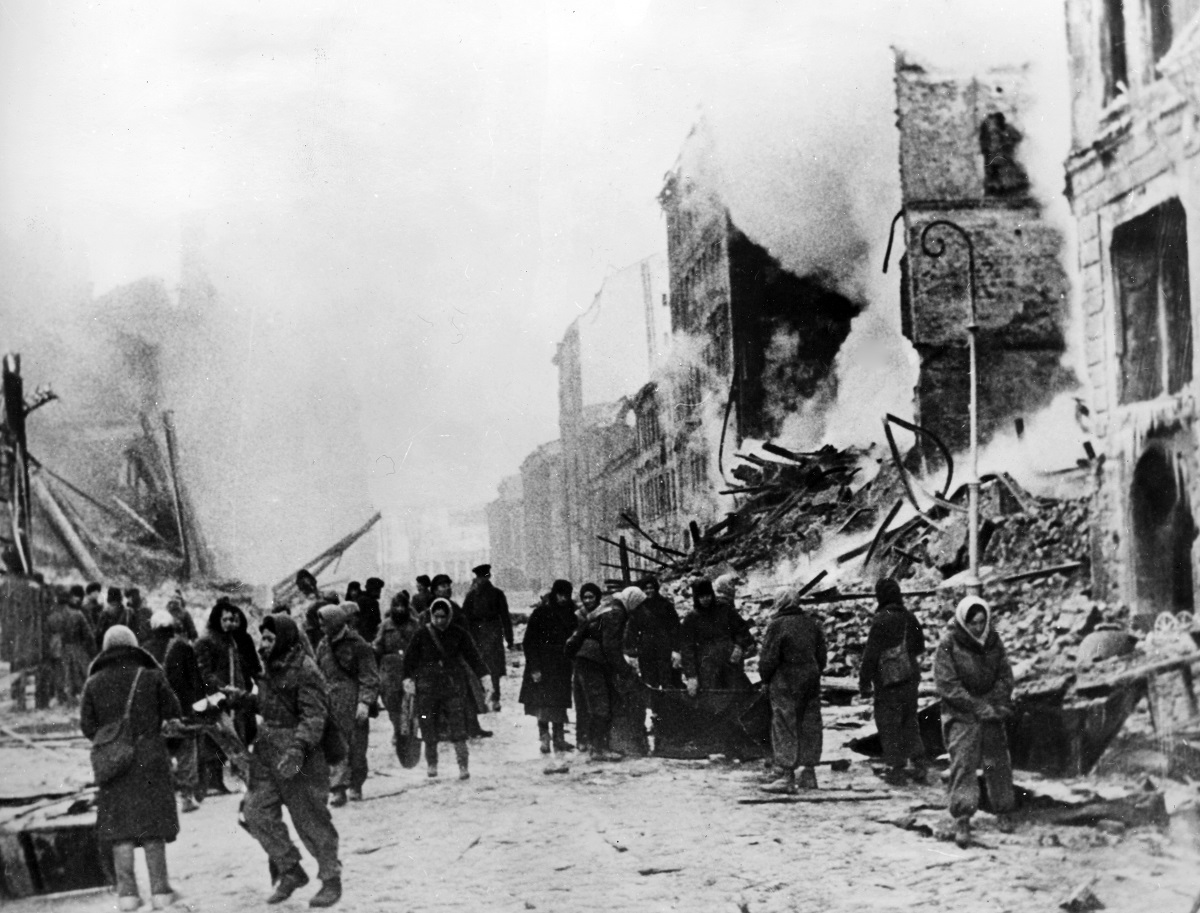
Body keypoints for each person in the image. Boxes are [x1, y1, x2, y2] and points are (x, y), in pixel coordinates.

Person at [238, 614, 342, 907]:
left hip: (300, 755)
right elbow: (270, 705)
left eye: (270, 639)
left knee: (311, 820)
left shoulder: (306, 670)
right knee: (255, 811)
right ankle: (291, 869)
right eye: (263, 638)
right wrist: (244, 699)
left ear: (283, 639)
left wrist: (297, 750)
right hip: (267, 752)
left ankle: (331, 879)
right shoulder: (270, 668)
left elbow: (313, 716)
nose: (263, 644)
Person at [80, 626, 181, 911]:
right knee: (152, 829)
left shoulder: (94, 682)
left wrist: (112, 742)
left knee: (120, 831)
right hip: (150, 758)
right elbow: (173, 713)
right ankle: (160, 893)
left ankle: (127, 896)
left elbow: (87, 726)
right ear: (134, 646)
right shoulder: (151, 675)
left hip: (114, 764)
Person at [935, 595, 1016, 849]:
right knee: (963, 763)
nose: (978, 628)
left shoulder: (993, 642)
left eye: (982, 622)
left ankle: (1003, 810)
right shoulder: (949, 644)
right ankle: (962, 817)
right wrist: (976, 706)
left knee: (998, 762)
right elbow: (947, 685)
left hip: (990, 710)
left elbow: (1005, 676)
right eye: (973, 623)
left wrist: (993, 704)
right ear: (962, 622)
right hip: (962, 713)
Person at [401, 597, 490, 780]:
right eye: (436, 616)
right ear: (431, 615)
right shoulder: (421, 635)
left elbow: (473, 657)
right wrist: (407, 680)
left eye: (443, 616)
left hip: (452, 687)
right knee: (428, 727)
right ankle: (432, 765)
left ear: (449, 615)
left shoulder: (459, 633)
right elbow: (409, 660)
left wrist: (485, 678)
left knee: (458, 727)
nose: (440, 620)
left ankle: (463, 766)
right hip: (427, 688)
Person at [859, 577, 927, 785]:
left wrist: (864, 682)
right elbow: (920, 647)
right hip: (910, 677)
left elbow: (870, 654)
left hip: (887, 680)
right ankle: (918, 763)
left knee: (889, 724)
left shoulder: (881, 620)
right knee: (909, 720)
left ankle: (896, 769)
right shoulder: (910, 617)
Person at [758, 590, 827, 793]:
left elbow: (768, 658)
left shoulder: (777, 625)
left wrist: (765, 679)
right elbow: (822, 655)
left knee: (784, 723)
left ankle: (786, 775)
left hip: (785, 679)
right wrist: (814, 671)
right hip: (810, 678)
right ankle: (809, 773)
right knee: (810, 722)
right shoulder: (812, 623)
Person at [315, 603, 380, 805]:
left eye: (324, 623)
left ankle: (356, 784)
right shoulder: (323, 645)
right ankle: (338, 790)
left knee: (357, 747)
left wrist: (364, 703)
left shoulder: (358, 644)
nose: (321, 628)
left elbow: (370, 677)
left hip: (352, 701)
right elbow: (317, 673)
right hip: (330, 702)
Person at [195, 600, 262, 794]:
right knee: (217, 738)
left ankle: (236, 778)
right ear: (217, 619)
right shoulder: (205, 640)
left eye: (231, 619)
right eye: (225, 619)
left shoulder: (228, 639)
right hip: (215, 697)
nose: (229, 623)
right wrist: (222, 689)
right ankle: (213, 780)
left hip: (232, 696)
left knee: (235, 735)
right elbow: (204, 672)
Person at [567, 586, 640, 761]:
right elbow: (610, 646)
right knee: (600, 704)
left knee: (595, 703)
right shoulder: (616, 613)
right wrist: (625, 669)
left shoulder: (608, 608)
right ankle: (599, 749)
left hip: (588, 659)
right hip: (592, 661)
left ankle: (595, 745)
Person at [145, 611, 205, 812]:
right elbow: (196, 682)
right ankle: (186, 797)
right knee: (186, 751)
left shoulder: (144, 650)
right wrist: (197, 709)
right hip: (182, 712)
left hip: (154, 714)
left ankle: (160, 799)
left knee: (158, 754)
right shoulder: (183, 648)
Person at [519, 580, 578, 756]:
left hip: (561, 665)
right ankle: (544, 737)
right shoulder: (540, 613)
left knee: (559, 703)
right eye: (560, 594)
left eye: (566, 595)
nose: (563, 599)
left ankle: (559, 738)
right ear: (554, 594)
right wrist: (534, 668)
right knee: (543, 703)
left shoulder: (570, 614)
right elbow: (529, 642)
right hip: (543, 664)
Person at [430, 574, 491, 737]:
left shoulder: (454, 606)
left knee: (468, 692)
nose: (447, 588)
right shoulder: (432, 608)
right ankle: (443, 730)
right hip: (440, 659)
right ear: (435, 590)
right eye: (442, 586)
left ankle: (472, 727)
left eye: (448, 585)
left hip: (459, 656)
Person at [680, 579, 756, 694]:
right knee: (715, 698)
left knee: (740, 694)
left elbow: (742, 630)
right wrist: (691, 676)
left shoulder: (724, 609)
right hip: (707, 666)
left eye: (708, 595)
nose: (705, 599)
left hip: (730, 660)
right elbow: (687, 648)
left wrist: (739, 646)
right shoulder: (691, 619)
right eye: (701, 597)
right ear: (696, 597)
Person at [373, 590, 421, 762]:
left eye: (402, 606)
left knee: (410, 703)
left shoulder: (415, 624)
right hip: (390, 670)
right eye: (396, 606)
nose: (399, 609)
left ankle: (409, 734)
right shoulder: (385, 625)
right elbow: (378, 646)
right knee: (392, 703)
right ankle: (397, 730)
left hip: (410, 668)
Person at [460, 564, 514, 711]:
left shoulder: (497, 594)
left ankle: (495, 698)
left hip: (493, 633)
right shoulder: (471, 596)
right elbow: (464, 616)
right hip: (476, 634)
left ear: (488, 577)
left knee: (493, 668)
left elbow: (505, 617)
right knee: (479, 665)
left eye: (483, 577)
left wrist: (509, 639)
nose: (481, 580)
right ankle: (482, 699)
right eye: (479, 577)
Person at [622, 575, 682, 689]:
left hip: (664, 646)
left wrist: (675, 649)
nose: (649, 591)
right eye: (646, 588)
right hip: (646, 649)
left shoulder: (666, 605)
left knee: (667, 679)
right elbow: (632, 630)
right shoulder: (638, 608)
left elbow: (675, 627)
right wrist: (631, 652)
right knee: (649, 681)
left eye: (651, 588)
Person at [46, 587, 96, 704]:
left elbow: (46, 634)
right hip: (75, 649)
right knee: (79, 677)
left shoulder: (50, 616)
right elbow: (89, 636)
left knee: (60, 677)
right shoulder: (77, 614)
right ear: (69, 599)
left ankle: (61, 699)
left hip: (56, 650)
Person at [572, 583, 602, 752]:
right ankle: (581, 738)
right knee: (582, 702)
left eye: (591, 597)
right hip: (580, 662)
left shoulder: (603, 614)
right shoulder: (578, 616)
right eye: (585, 597)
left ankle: (593, 739)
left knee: (595, 704)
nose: (588, 600)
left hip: (598, 662)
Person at [356, 578, 384, 643]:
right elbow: (376, 621)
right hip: (369, 636)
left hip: (359, 634)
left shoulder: (359, 599)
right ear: (373, 590)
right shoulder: (373, 603)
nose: (380, 592)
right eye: (378, 589)